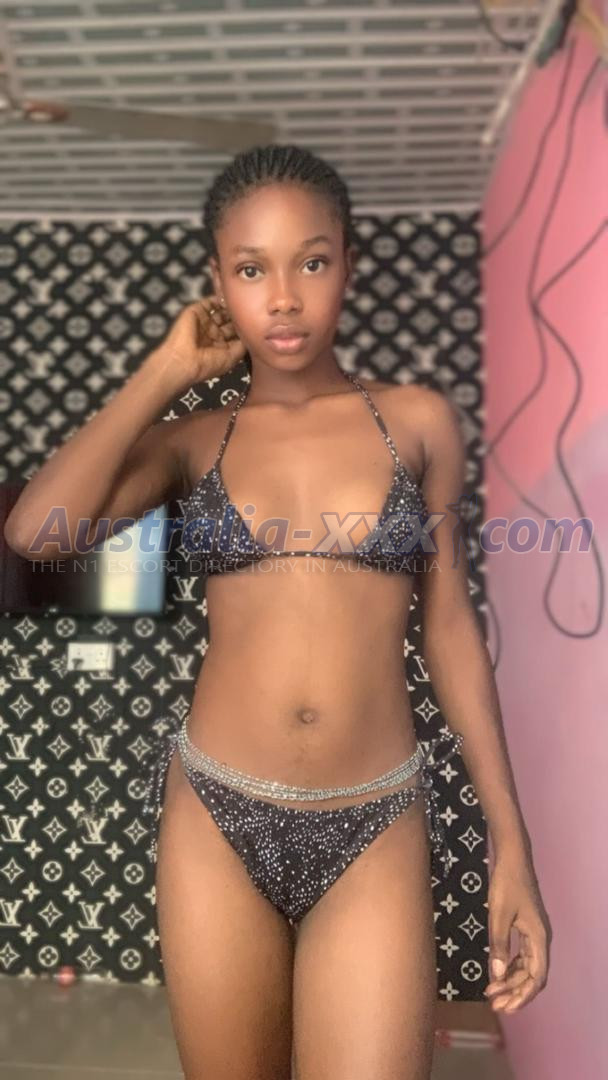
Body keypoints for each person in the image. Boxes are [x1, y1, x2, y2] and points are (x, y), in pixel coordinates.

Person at [5, 143, 551, 1080]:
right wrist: (164, 370)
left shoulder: (417, 422)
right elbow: (36, 534)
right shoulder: (194, 438)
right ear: (218, 282)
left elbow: (451, 626)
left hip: (377, 815)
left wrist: (514, 842)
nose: (285, 298)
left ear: (349, 264)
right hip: (216, 813)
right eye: (252, 270)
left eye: (312, 261)